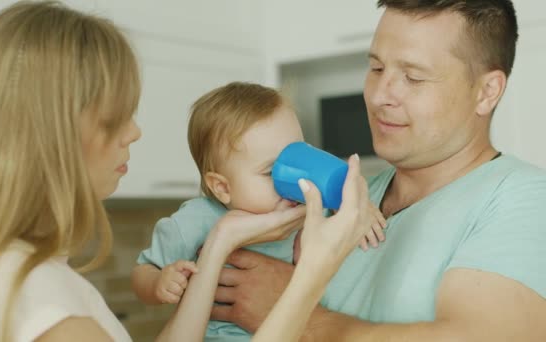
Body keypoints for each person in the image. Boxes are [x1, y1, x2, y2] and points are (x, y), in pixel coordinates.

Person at [0, 1, 377, 342]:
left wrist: (222, 242)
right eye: (114, 119)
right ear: (51, 134)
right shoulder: (36, 297)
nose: (135, 131)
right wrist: (313, 273)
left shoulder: (13, 269)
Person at [210, 1, 546, 341]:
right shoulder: (346, 196)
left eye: (413, 77)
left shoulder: (524, 199)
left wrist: (297, 315)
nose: (379, 96)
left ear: (487, 92)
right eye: (376, 68)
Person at [131, 82, 387, 340]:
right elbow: (143, 270)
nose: (296, 180)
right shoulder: (195, 221)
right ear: (222, 187)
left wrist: (362, 208)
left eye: (296, 156)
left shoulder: (303, 206)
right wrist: (159, 283)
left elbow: (343, 211)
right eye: (271, 172)